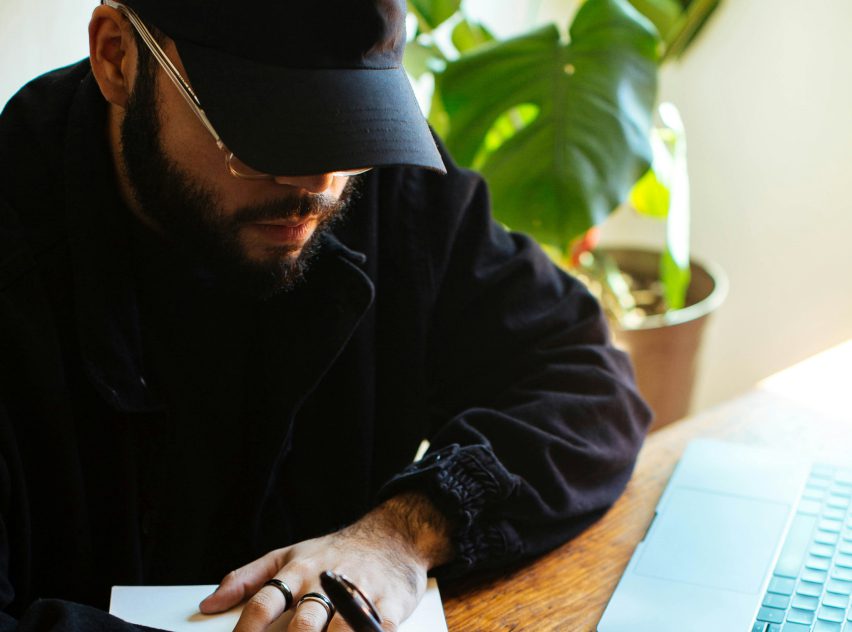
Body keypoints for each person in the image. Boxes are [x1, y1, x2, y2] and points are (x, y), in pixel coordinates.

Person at [0, 0, 652, 630]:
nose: (319, 187)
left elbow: (588, 383)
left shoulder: (384, 185)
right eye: (267, 129)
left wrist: (401, 532)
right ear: (118, 57)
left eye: (348, 127)